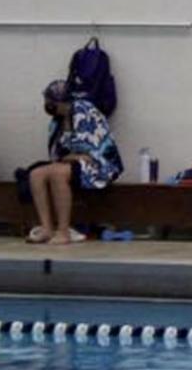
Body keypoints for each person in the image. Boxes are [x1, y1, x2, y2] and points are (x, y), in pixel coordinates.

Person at [24, 79, 123, 245]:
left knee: (57, 173)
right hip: (73, 164)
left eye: (49, 101)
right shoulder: (57, 121)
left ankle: (63, 231)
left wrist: (69, 157)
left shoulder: (85, 111)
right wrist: (69, 157)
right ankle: (47, 228)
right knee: (36, 174)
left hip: (101, 166)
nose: (47, 104)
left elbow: (88, 151)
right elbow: (58, 154)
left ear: (61, 101)